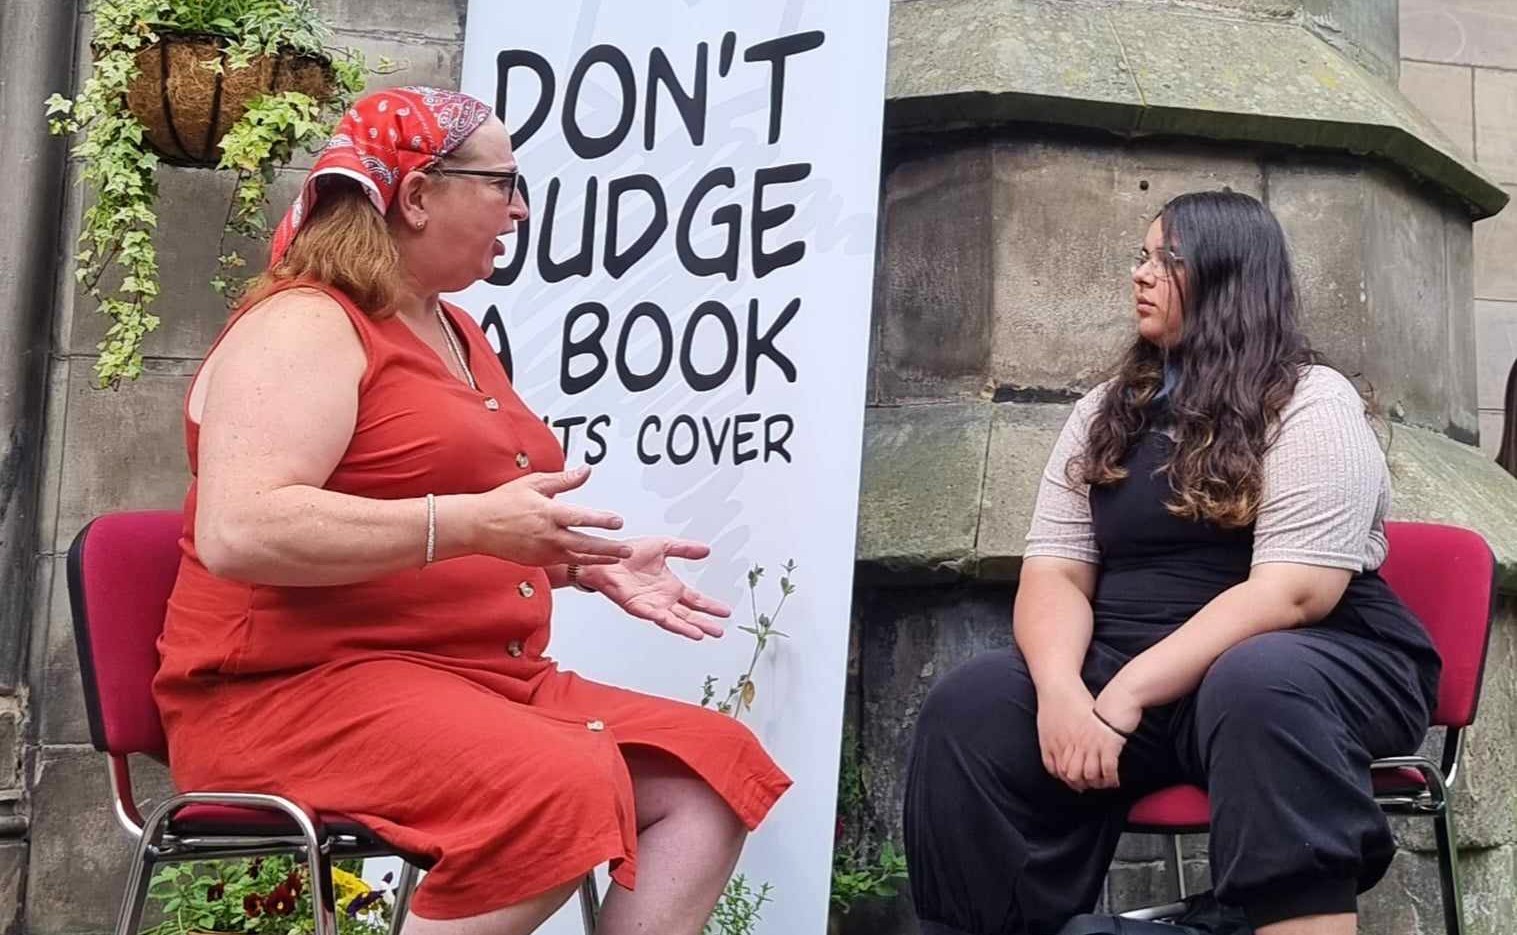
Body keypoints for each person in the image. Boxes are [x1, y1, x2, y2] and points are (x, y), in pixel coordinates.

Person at [153, 86, 791, 935]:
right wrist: (470, 525)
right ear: (417, 196)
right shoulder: (304, 323)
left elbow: (456, 510)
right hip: (289, 694)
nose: (520, 208)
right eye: (503, 183)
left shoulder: (451, 326)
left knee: (707, 770)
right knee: (559, 787)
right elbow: (243, 530)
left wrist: (577, 560)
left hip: (474, 682)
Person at [902, 190, 1441, 935]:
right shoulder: (1103, 410)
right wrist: (1061, 691)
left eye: (1168, 260)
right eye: (1142, 255)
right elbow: (1054, 571)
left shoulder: (1313, 402)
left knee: (1258, 679)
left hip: (1314, 657)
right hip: (1134, 663)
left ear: (1228, 280)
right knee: (972, 706)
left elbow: (1291, 594)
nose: (1140, 274)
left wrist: (1125, 692)